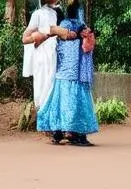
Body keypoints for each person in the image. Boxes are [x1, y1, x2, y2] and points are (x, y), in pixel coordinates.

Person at [36, 2, 99, 147]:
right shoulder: (80, 25)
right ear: (78, 12)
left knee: (60, 101)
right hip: (76, 72)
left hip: (64, 70)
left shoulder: (63, 24)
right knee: (77, 103)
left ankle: (58, 133)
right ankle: (76, 134)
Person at [22, 1, 69, 140]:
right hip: (42, 57)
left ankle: (57, 128)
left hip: (56, 54)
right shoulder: (37, 14)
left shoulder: (57, 13)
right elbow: (24, 38)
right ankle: (47, 126)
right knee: (43, 89)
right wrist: (38, 37)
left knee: (54, 89)